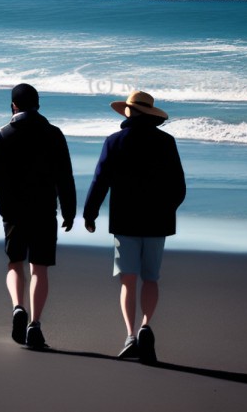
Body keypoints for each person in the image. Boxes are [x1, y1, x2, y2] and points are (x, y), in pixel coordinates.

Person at [83, 89, 186, 364]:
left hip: (124, 221)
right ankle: (145, 325)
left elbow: (100, 180)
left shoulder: (114, 141)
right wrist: (166, 211)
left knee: (128, 279)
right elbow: (179, 186)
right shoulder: (166, 142)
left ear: (129, 112)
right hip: (157, 221)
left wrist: (89, 214)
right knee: (151, 278)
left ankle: (130, 335)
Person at [0, 83, 76, 350]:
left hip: (13, 210)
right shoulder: (54, 134)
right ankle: (35, 324)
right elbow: (65, 177)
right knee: (39, 268)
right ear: (38, 105)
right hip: (45, 210)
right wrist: (70, 210)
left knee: (15, 262)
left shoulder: (1, 135)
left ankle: (17, 307)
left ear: (13, 105)